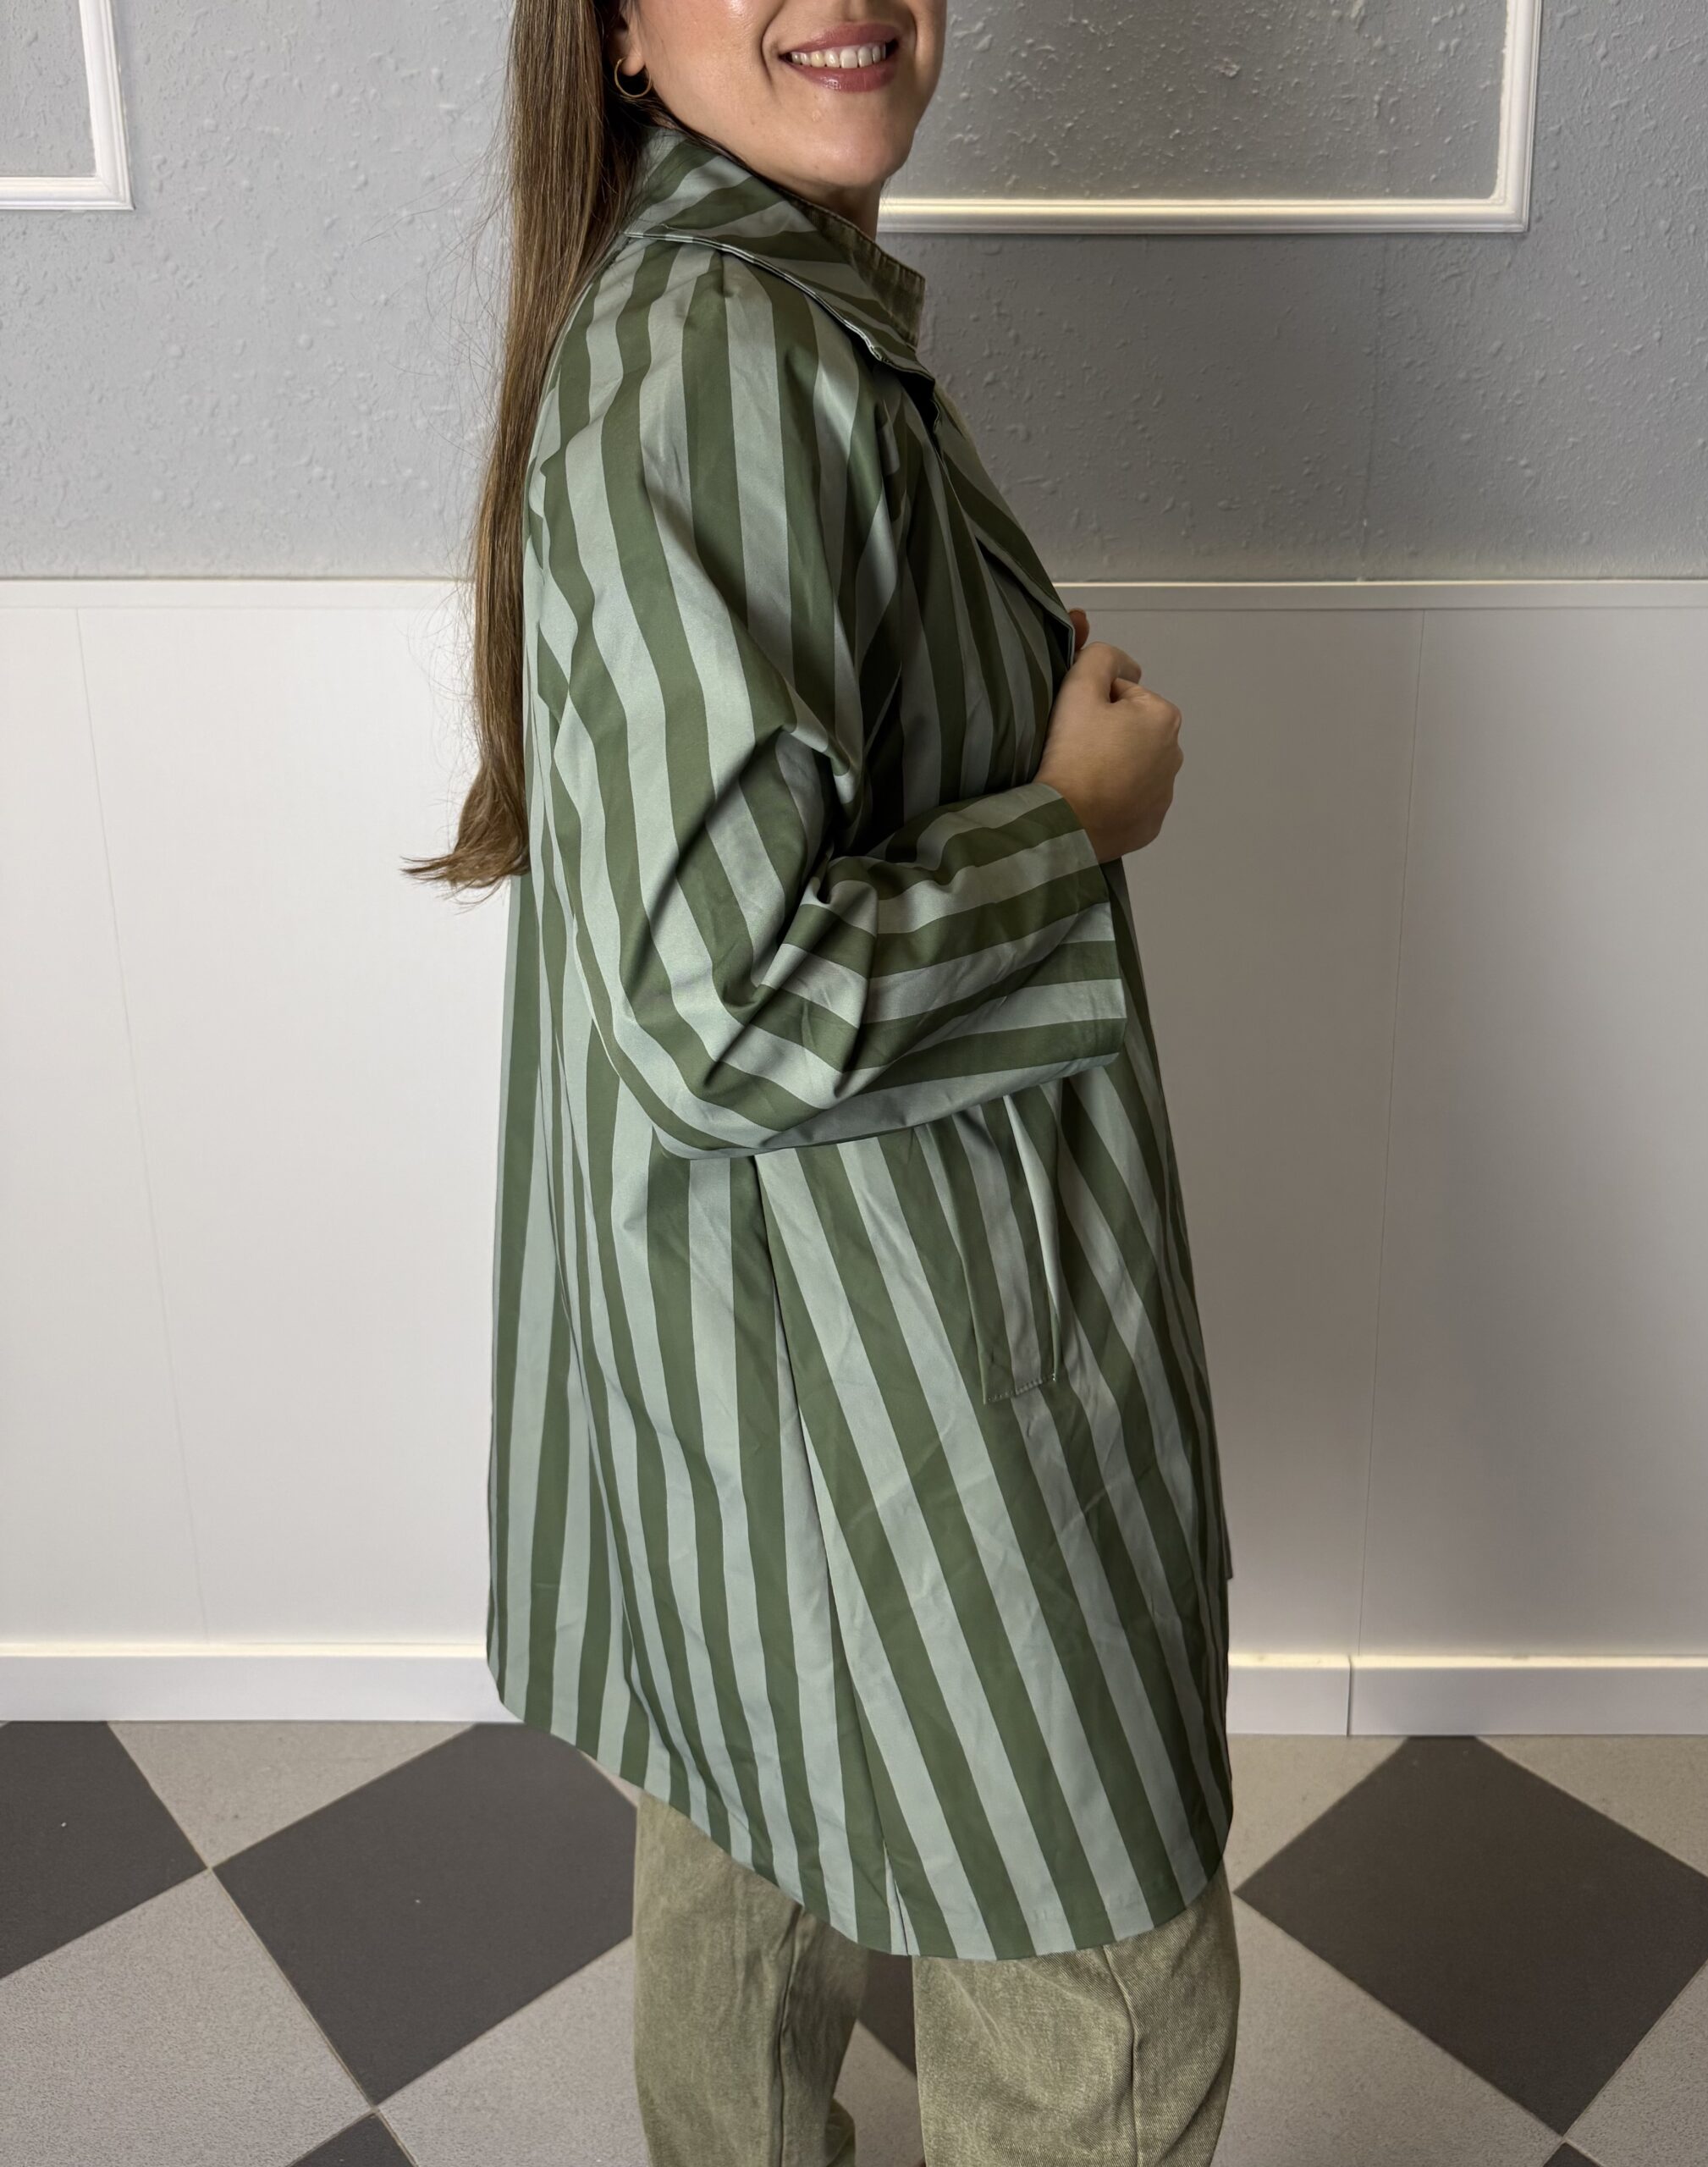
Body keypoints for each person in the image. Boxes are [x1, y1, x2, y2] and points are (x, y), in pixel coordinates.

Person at [407, 4, 1240, 2159]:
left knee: (747, 1798)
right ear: (615, 30)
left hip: (761, 1345)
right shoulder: (720, 364)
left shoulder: (733, 315)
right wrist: (1075, 820)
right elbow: (729, 1005)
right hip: (896, 1355)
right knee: (1105, 1974)